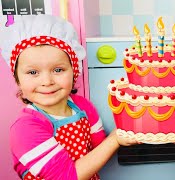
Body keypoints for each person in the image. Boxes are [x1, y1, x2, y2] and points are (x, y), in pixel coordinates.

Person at [0, 15, 138, 180]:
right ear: (18, 79)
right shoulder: (25, 128)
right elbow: (67, 176)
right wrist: (115, 139)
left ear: (74, 71)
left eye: (58, 70)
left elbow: (99, 150)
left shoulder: (82, 106)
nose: (47, 81)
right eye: (33, 72)